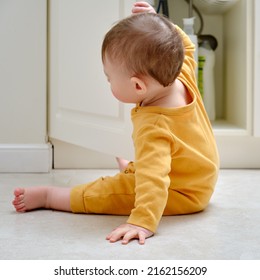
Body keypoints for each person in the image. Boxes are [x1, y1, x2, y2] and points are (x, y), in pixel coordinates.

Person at [12, 2, 219, 245]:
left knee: (108, 192)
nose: (107, 81)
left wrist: (142, 221)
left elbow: (154, 180)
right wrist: (159, 25)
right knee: (151, 161)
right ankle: (135, 168)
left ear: (138, 86)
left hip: (182, 193)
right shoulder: (180, 72)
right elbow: (185, 45)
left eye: (109, 77)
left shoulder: (155, 126)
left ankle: (49, 197)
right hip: (199, 176)